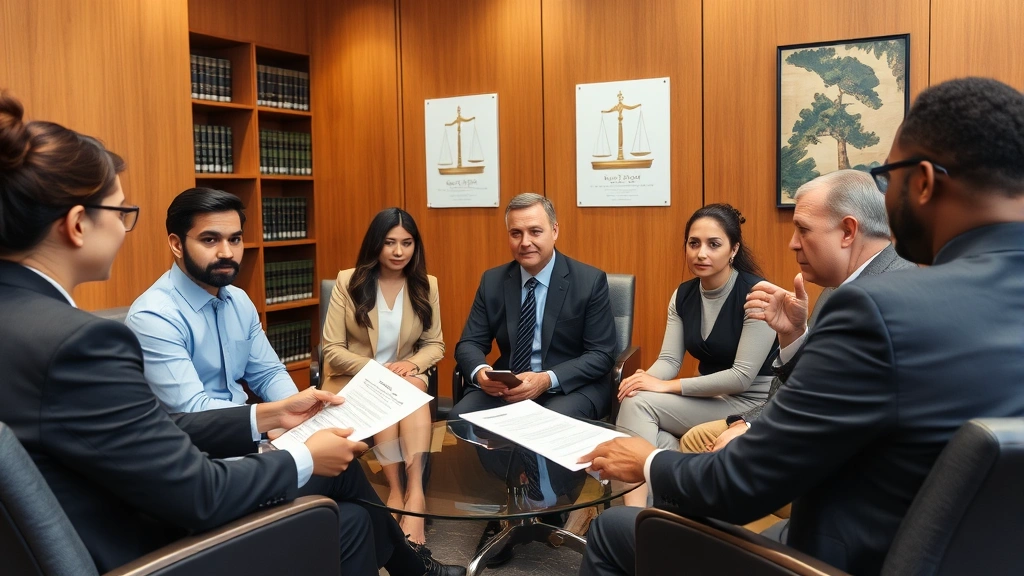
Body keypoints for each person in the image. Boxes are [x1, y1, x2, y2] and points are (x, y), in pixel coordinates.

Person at [0, 90, 463, 576]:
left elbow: (158, 428)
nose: (123, 228)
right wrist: (300, 455)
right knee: (344, 512)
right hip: (151, 548)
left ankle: (412, 570)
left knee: (348, 520)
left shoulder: (24, 321)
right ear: (77, 224)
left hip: (122, 512)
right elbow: (197, 490)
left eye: (235, 238)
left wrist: (274, 413)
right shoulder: (83, 341)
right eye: (121, 214)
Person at [579, 76, 1024, 576]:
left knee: (617, 531)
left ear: (922, 182)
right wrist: (794, 341)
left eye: (888, 176)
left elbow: (740, 489)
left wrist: (647, 462)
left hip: (833, 561)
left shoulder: (880, 307)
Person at [679, 170, 914, 454]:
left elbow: (829, 403)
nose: (793, 243)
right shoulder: (835, 291)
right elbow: (811, 383)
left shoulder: (889, 295)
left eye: (803, 229)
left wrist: (756, 431)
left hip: (848, 455)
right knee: (696, 441)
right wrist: (792, 336)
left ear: (848, 232)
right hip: (804, 423)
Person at [615, 203, 778, 507]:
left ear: (733, 249)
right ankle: (654, 507)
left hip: (747, 405)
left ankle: (637, 515)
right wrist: (645, 378)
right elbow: (669, 361)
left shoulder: (758, 294)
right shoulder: (684, 294)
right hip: (707, 400)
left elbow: (740, 378)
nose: (701, 253)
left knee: (640, 407)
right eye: (694, 243)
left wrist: (664, 386)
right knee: (635, 399)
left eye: (713, 244)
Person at [321, 207, 443, 545]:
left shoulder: (425, 285)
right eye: (390, 243)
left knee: (408, 390)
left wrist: (413, 364)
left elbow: (435, 344)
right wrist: (377, 371)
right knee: (394, 392)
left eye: (407, 243)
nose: (399, 252)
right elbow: (332, 349)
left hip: (406, 376)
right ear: (376, 243)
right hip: (356, 378)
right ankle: (396, 489)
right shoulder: (349, 281)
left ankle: (413, 491)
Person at [449, 192, 618, 421]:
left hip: (568, 388)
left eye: (535, 232)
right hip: (508, 388)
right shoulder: (493, 281)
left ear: (555, 231)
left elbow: (601, 354)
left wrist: (546, 379)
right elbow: (469, 343)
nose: (525, 242)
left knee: (546, 426)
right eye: (516, 233)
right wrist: (481, 373)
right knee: (460, 417)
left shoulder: (589, 281)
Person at [126, 188, 297, 412]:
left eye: (235, 239)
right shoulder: (154, 316)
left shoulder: (239, 300)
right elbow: (192, 409)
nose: (226, 252)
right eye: (210, 240)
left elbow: (268, 374)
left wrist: (301, 416)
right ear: (177, 245)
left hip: (246, 430)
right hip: (191, 440)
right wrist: (273, 420)